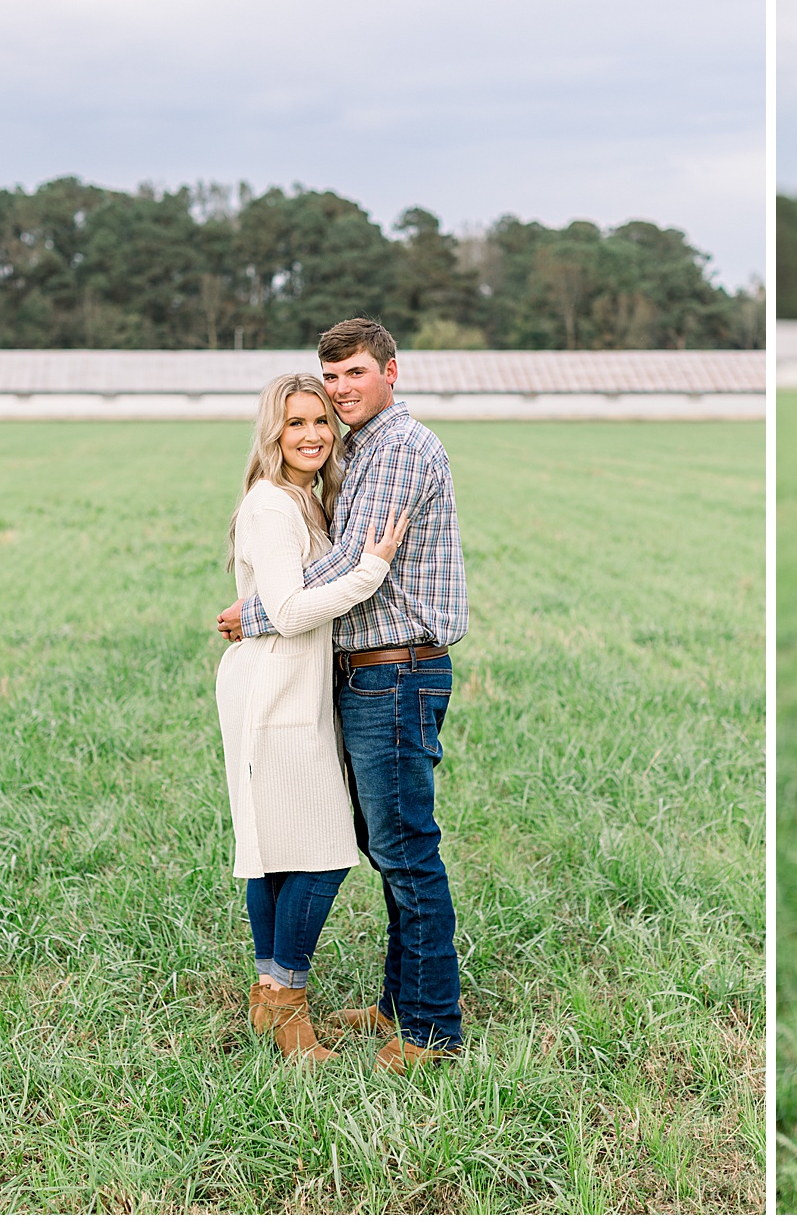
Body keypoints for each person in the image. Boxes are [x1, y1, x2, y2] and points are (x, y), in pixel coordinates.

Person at [219, 318, 470, 1071]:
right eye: (331, 380)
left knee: (403, 851)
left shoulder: (394, 448)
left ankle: (428, 1027)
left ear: (391, 371)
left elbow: (359, 565)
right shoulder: (347, 455)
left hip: (393, 670)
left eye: (354, 374)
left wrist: (256, 612)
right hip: (362, 672)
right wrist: (272, 606)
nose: (341, 392)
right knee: (385, 848)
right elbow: (329, 567)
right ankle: (400, 1003)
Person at [216, 373, 408, 1064]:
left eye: (321, 421)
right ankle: (287, 1004)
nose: (312, 435)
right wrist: (371, 569)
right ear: (274, 431)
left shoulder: (304, 501)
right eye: (295, 423)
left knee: (275, 856)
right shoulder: (272, 506)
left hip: (293, 689)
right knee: (324, 855)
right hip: (273, 692)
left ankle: (269, 995)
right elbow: (293, 610)